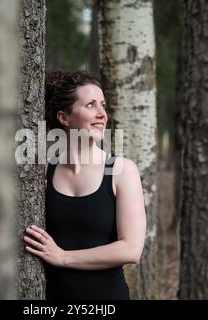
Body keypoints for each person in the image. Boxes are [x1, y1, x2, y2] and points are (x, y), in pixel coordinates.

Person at [23, 70, 146, 300]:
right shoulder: (42, 173)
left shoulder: (121, 171)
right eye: (91, 105)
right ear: (64, 118)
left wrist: (63, 257)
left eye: (103, 105)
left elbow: (131, 249)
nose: (102, 114)